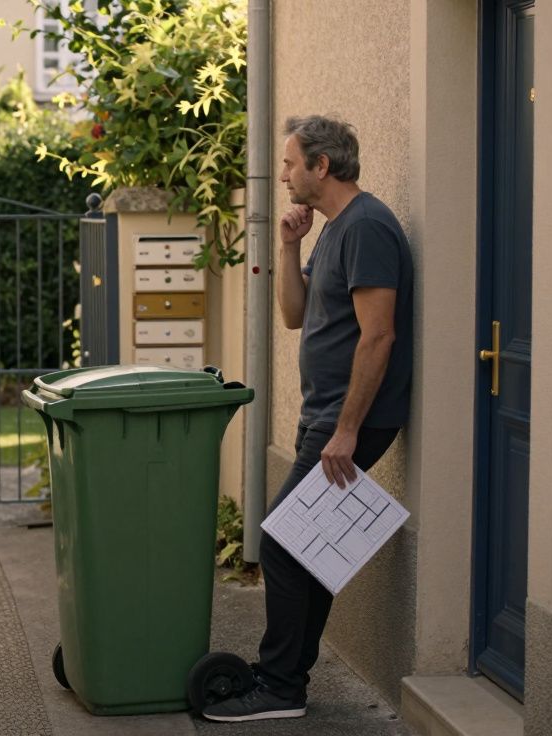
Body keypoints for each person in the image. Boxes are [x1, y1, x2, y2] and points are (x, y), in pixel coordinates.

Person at [203, 115, 413, 723]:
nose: (285, 173)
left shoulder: (368, 227)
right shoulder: (334, 229)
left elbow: (379, 336)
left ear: (323, 166)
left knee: (281, 543)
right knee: (309, 550)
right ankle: (286, 677)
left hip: (347, 422)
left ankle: (279, 686)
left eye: (292, 162)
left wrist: (347, 429)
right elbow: (295, 315)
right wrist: (290, 245)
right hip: (324, 415)